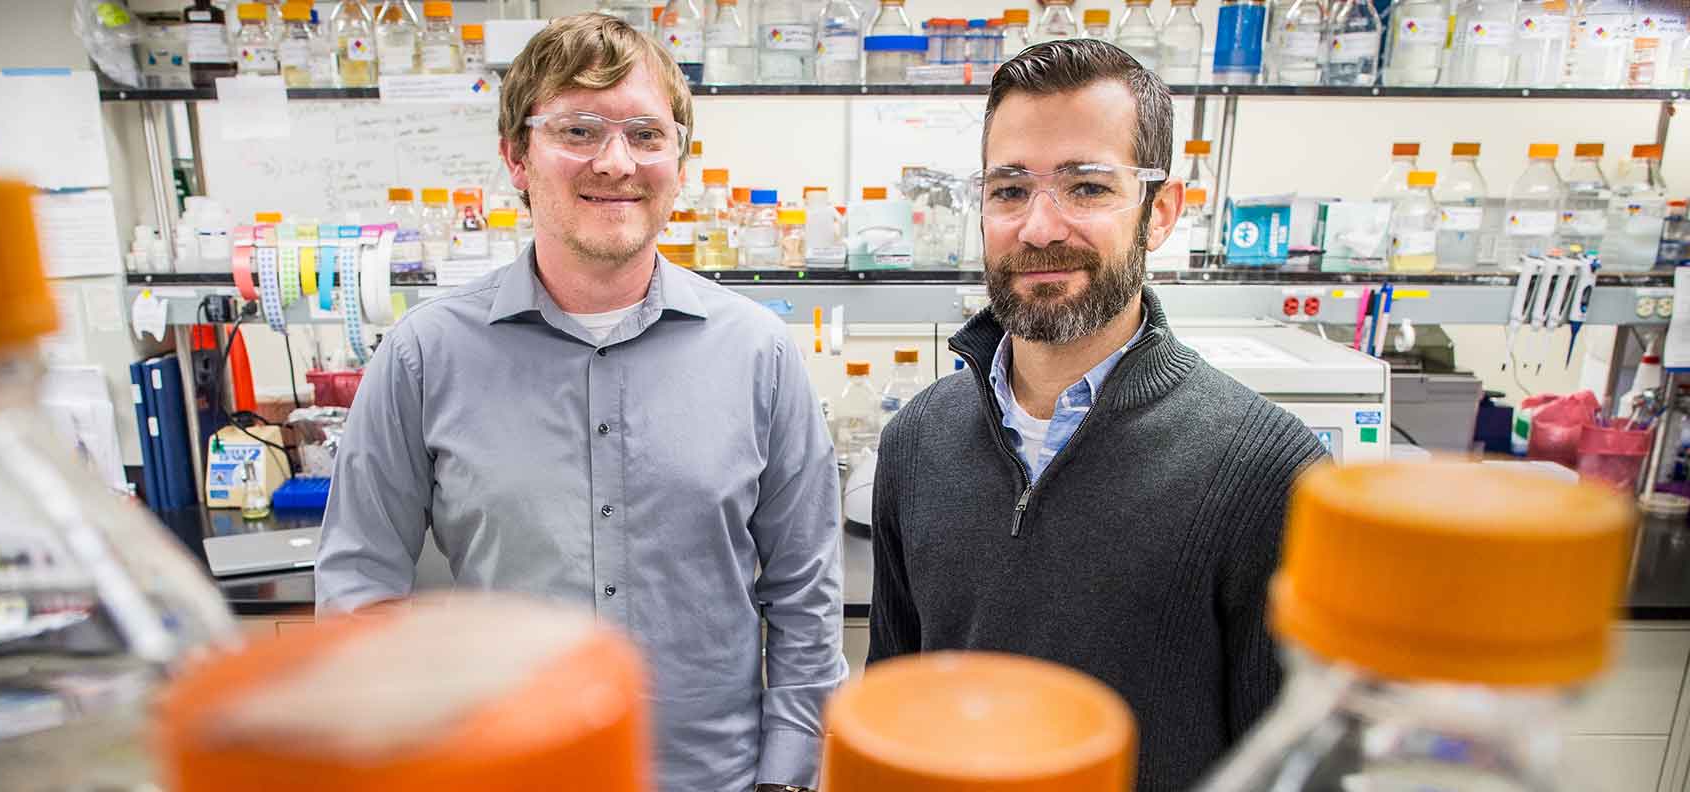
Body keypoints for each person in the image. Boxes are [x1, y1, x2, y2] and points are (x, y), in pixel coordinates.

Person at [315, 14, 843, 792]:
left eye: (646, 134)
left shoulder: (757, 353)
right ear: (516, 157)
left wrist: (787, 776)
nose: (616, 161)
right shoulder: (424, 356)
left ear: (679, 160)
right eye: (579, 129)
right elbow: (360, 585)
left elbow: (805, 591)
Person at [867, 40, 1328, 792]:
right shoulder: (916, 441)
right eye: (1010, 190)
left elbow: (1287, 769)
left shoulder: (1266, 469)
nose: (1041, 229)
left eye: (1086, 187)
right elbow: (892, 705)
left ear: (1161, 212)